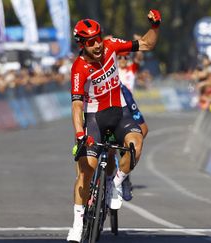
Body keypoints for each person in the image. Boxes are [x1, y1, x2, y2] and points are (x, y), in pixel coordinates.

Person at [67, 10, 161, 242]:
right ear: (82, 44)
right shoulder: (79, 68)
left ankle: (115, 183)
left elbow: (147, 44)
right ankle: (78, 223)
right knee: (86, 170)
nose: (97, 45)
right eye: (90, 42)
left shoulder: (111, 46)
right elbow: (77, 106)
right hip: (94, 118)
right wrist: (80, 135)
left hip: (119, 113)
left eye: (98, 38)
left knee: (136, 144)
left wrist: (156, 26)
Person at [117, 49, 149, 201]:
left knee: (136, 136)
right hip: (114, 103)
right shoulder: (113, 68)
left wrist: (140, 47)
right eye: (120, 57)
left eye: (125, 57)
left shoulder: (131, 69)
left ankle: (125, 175)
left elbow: (139, 58)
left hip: (129, 104)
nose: (123, 59)